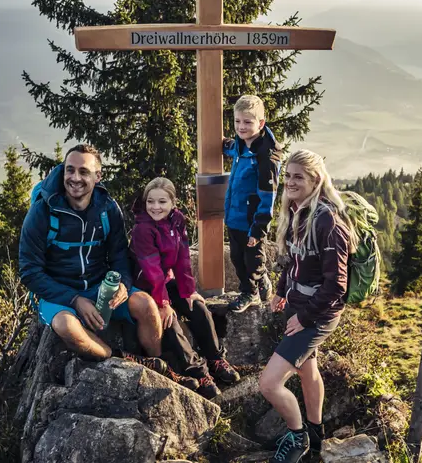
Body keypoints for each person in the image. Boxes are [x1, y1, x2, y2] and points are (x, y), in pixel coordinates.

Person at [18, 144, 198, 390]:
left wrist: (124, 284)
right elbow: (29, 271)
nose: (75, 178)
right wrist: (74, 300)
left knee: (145, 304)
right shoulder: (43, 211)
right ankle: (118, 356)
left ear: (97, 176)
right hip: (58, 293)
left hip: (99, 286)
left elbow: (119, 255)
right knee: (65, 326)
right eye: (69, 170)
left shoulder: (106, 207)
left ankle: (159, 367)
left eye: (84, 171)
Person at [258, 149, 359, 463]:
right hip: (301, 306)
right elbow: (293, 262)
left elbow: (337, 286)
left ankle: (297, 435)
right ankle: (316, 442)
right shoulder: (298, 212)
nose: (289, 182)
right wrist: (280, 291)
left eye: (298, 177)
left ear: (316, 180)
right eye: (288, 176)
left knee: (269, 383)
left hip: (318, 313)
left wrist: (304, 318)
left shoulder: (328, 222)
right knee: (307, 370)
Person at [129, 177, 243, 399]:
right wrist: (163, 304)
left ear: (173, 202)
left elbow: (182, 260)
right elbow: (151, 270)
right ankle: (197, 372)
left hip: (166, 280)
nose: (155, 207)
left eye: (162, 201)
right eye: (150, 201)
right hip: (145, 286)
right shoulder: (142, 229)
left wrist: (188, 291)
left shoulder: (177, 221)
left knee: (199, 307)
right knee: (170, 322)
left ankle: (215, 358)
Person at [222, 94, 283, 312]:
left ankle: (250, 293)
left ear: (261, 123)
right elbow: (234, 149)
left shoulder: (265, 158)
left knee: (252, 259)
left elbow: (268, 197)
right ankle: (262, 280)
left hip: (252, 221)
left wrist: (257, 229)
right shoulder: (241, 145)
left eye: (248, 122)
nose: (241, 126)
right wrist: (224, 144)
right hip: (235, 217)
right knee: (237, 257)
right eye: (237, 121)